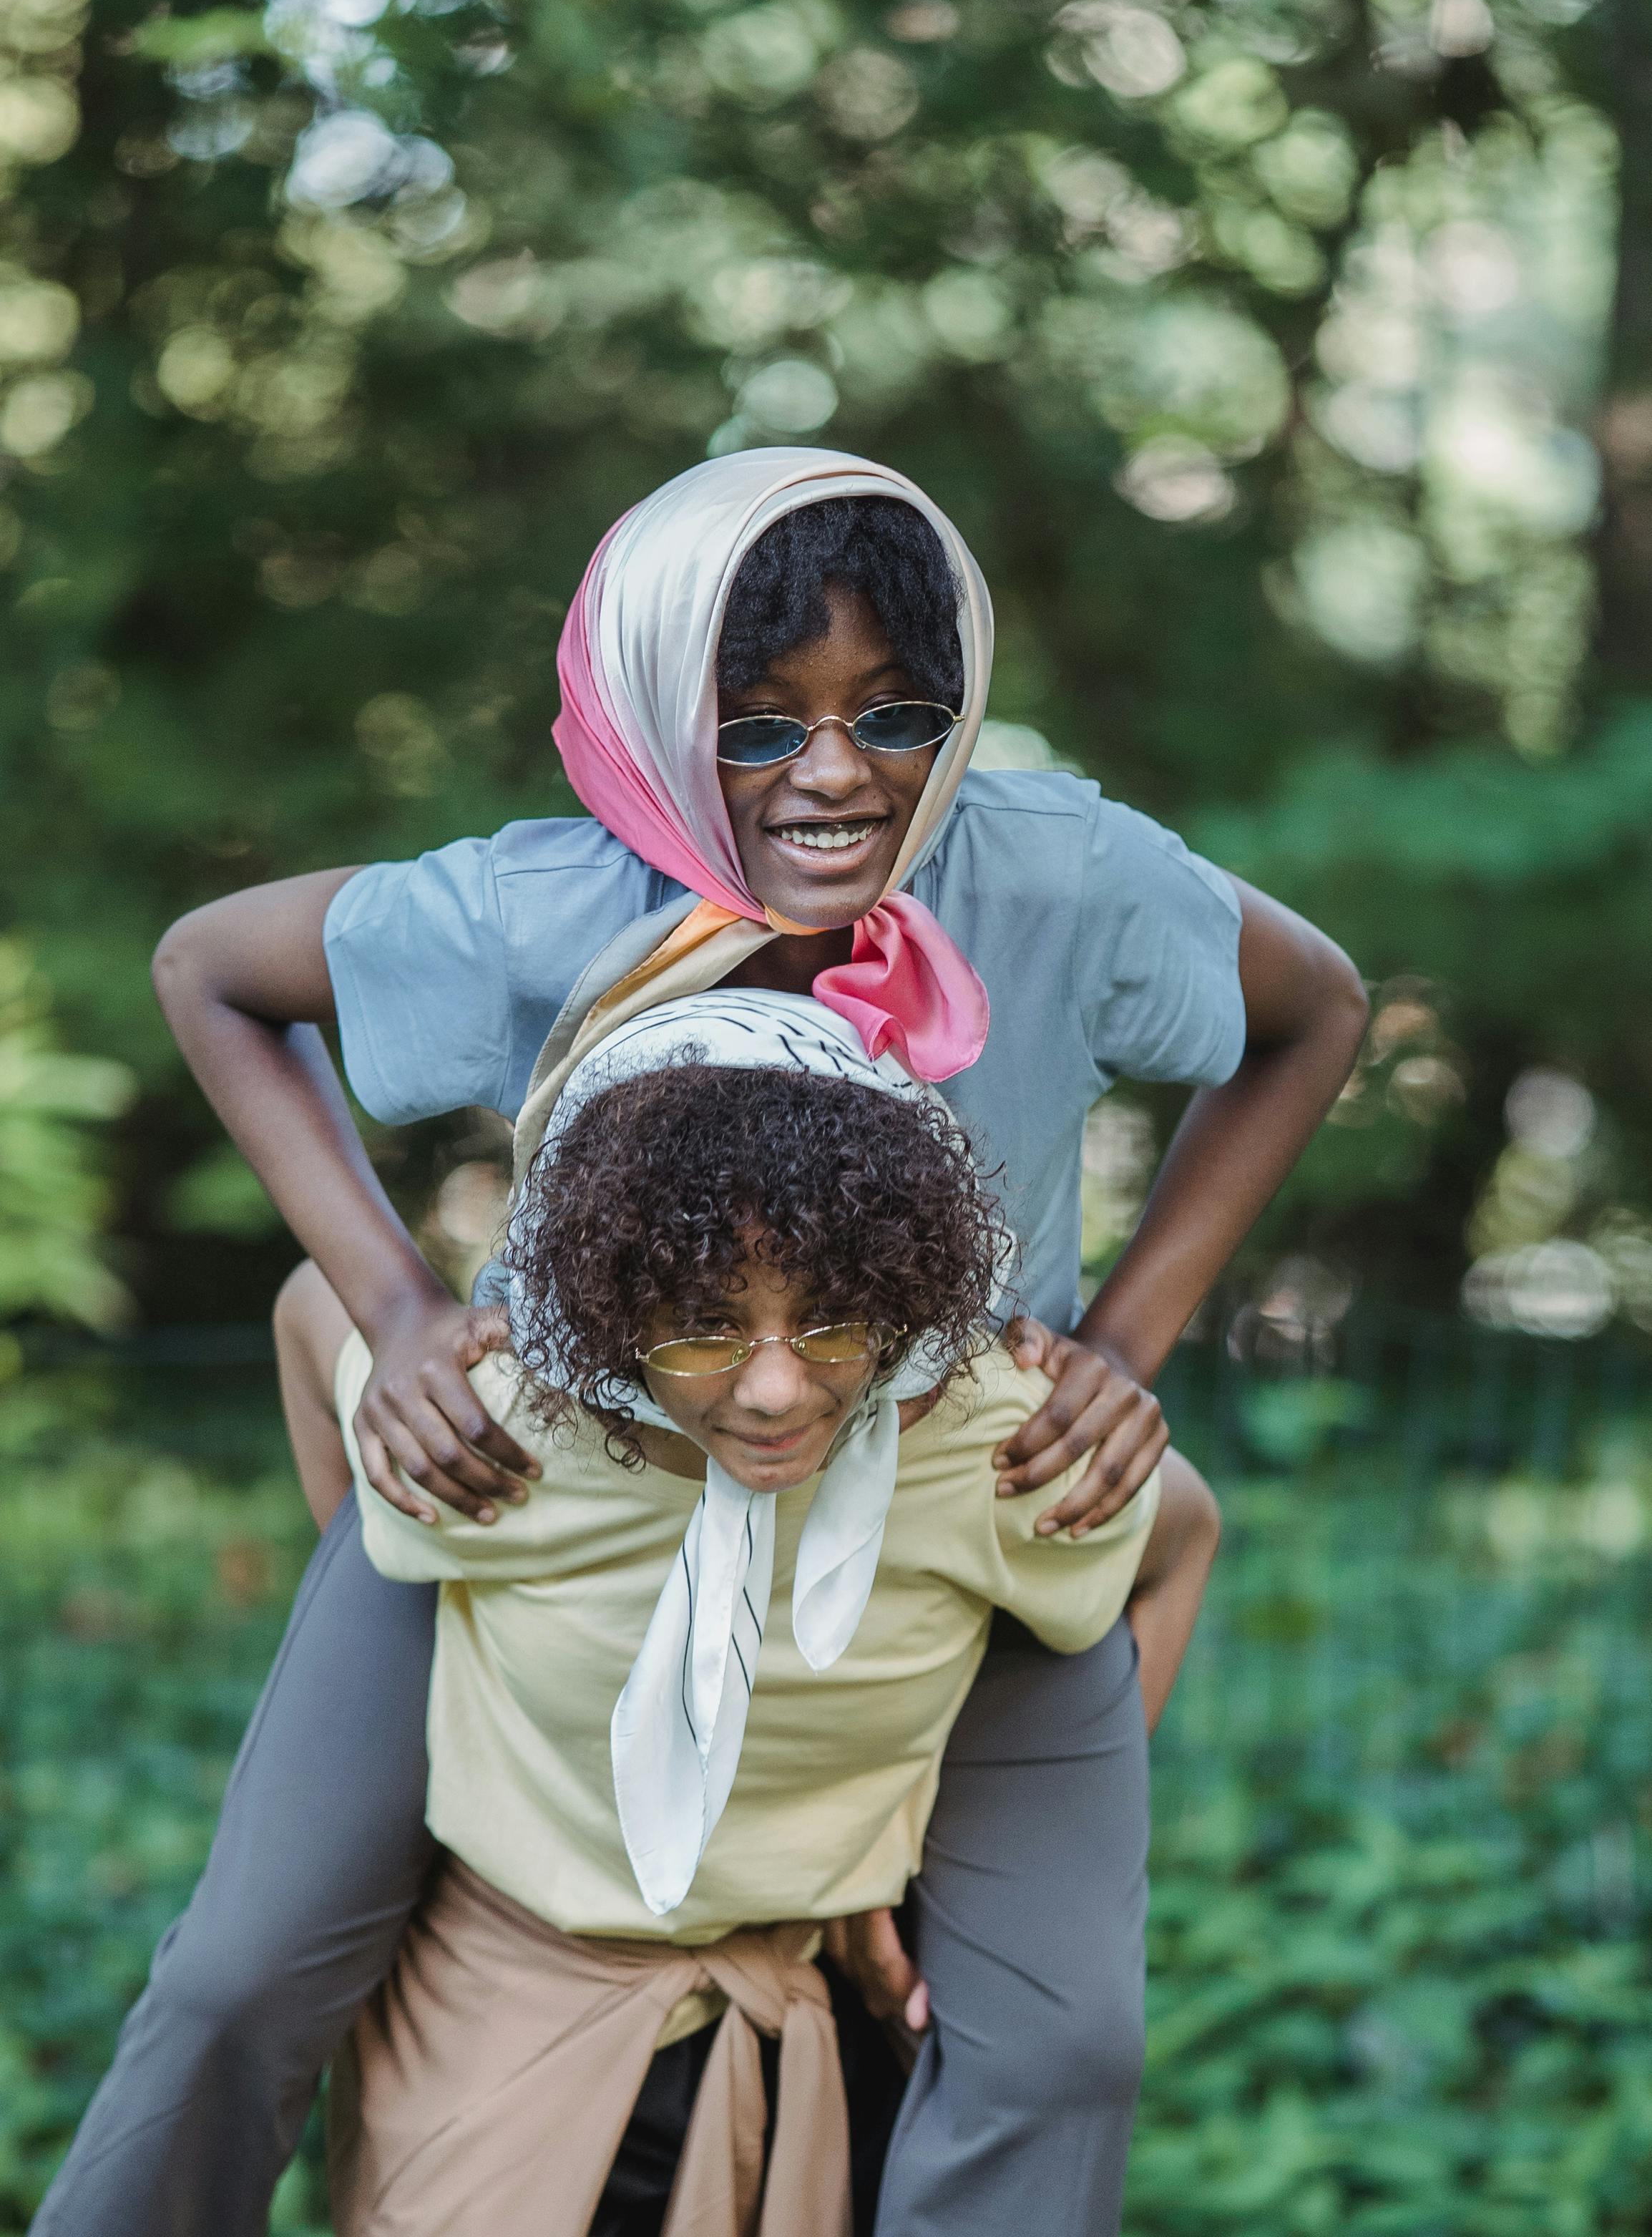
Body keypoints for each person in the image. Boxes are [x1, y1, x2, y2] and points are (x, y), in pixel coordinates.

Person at [34, 448, 1367, 2237]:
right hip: (553, 1480)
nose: (834, 769)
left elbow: (1317, 1011)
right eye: (759, 723)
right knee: (241, 1976)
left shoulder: (1058, 873)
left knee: (1065, 2048)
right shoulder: (545, 902)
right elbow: (213, 967)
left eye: (897, 711)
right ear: (669, 706)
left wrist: (1128, 1337)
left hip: (950, 1505)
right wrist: (403, 1304)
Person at [277, 988, 1221, 2237]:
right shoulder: (499, 1424)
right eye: (707, 1328)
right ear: (618, 1303)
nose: (776, 1388)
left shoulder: (978, 1439)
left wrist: (986, 1874)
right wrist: (389, 1592)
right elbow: (310, 1312)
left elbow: (1179, 1538)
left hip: (814, 2012)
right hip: (503, 2010)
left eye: (829, 1324)